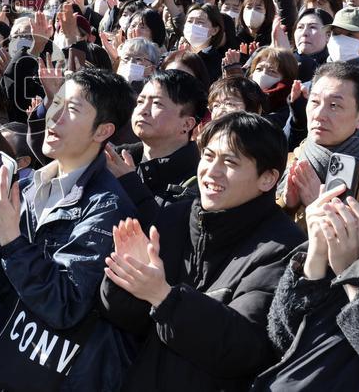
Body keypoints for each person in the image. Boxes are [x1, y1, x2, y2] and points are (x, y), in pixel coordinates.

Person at [0, 69, 137, 390]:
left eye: (73, 110)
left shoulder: (107, 207)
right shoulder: (27, 186)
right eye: (57, 104)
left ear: (103, 131)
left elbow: (65, 306)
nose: (55, 118)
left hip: (65, 375)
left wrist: (10, 238)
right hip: (14, 362)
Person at [100, 112, 304, 390]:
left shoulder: (283, 248)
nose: (212, 171)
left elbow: (244, 348)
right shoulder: (175, 216)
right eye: (208, 156)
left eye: (230, 162)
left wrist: (163, 297)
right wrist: (126, 277)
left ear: (267, 178)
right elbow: (128, 320)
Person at [254, 106, 359, 391]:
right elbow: (283, 337)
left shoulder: (357, 253)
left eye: (336, 103)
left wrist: (352, 278)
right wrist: (316, 256)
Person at [106, 69, 206, 224]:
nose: (143, 110)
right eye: (140, 101)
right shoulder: (115, 159)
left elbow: (169, 237)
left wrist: (130, 184)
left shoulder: (200, 180)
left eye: (157, 103)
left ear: (187, 124)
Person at [283, 62, 359, 222]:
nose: (318, 114)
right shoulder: (296, 156)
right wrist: (288, 205)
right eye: (315, 102)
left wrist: (318, 207)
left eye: (334, 105)